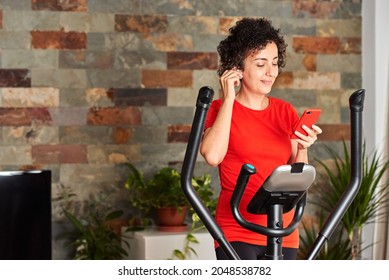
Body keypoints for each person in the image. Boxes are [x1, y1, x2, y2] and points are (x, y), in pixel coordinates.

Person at [200, 17, 322, 260]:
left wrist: (303, 147)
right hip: (237, 229)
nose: (271, 72)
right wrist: (229, 99)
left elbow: (297, 176)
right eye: (260, 64)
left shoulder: (285, 111)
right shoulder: (218, 109)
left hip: (282, 231)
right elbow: (212, 156)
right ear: (238, 67)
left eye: (275, 63)